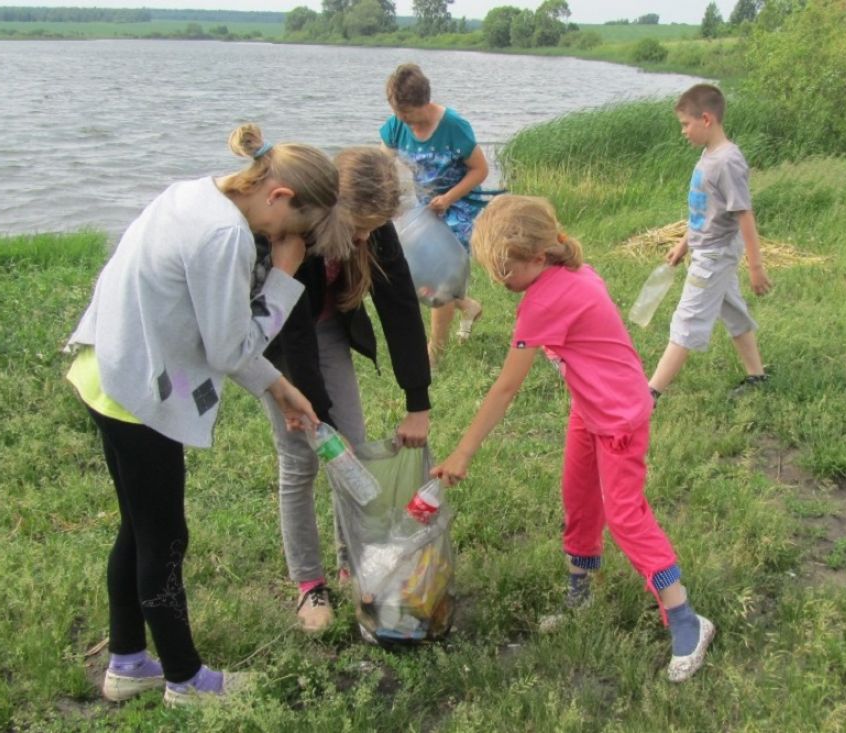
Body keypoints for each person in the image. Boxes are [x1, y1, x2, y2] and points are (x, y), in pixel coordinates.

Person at [64, 124, 345, 706]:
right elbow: (230, 347)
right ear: (279, 196)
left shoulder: (188, 193)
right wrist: (286, 278)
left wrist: (282, 388)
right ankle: (186, 680)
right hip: (140, 393)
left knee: (137, 528)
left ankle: (127, 661)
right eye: (292, 230)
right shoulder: (226, 236)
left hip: (105, 369)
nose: (282, 241)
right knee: (165, 537)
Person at [432, 195, 716, 683]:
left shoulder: (544, 301)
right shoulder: (574, 273)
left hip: (619, 417)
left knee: (626, 516)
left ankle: (686, 618)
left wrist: (463, 451)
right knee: (579, 498)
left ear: (539, 257)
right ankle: (580, 592)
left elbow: (505, 389)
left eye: (507, 272)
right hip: (589, 409)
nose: (502, 284)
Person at [258, 147, 432, 632]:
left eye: (373, 229)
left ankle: (352, 558)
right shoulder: (298, 228)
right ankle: (309, 584)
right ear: (332, 207)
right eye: (357, 227)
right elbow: (287, 330)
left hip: (328, 326)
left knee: (348, 448)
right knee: (303, 455)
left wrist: (418, 402)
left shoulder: (374, 228)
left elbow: (400, 305)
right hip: (275, 340)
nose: (363, 237)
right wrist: (306, 409)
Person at [648, 83, 772, 402]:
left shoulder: (727, 162)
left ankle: (648, 395)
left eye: (685, 124)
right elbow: (706, 212)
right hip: (706, 248)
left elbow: (744, 215)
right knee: (733, 311)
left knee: (687, 320)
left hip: (715, 255)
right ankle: (757, 375)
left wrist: (756, 267)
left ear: (706, 119)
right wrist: (683, 245)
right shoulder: (709, 155)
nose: (683, 132)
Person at [380, 62, 490, 369]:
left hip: (458, 208)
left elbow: (480, 170)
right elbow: (383, 167)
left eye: (408, 115)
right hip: (423, 210)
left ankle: (435, 351)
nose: (404, 123)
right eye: (398, 115)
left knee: (439, 279)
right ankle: (467, 306)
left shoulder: (454, 126)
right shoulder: (395, 125)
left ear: (424, 103)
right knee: (417, 274)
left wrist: (449, 197)